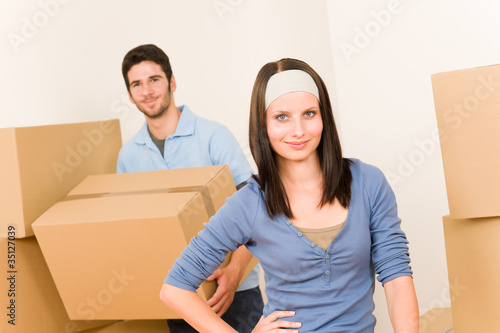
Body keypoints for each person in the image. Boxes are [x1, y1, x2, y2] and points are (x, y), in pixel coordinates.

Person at [160, 58, 419, 332]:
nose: (298, 130)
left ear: (324, 117)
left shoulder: (368, 183)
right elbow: (174, 288)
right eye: (281, 117)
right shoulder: (250, 203)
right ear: (263, 124)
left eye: (309, 114)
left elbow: (396, 276)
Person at [117, 44, 264, 332]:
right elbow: (132, 231)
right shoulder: (128, 156)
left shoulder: (214, 137)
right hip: (180, 296)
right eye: (137, 84)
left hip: (236, 290)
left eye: (154, 80)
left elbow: (257, 212)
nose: (146, 90)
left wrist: (234, 274)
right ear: (130, 95)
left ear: (172, 82)